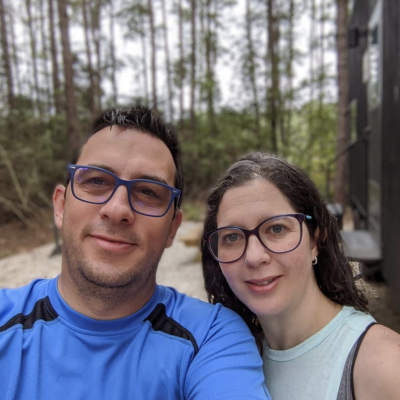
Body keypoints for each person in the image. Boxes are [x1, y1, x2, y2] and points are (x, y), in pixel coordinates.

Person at [0, 108, 271, 400]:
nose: (117, 210)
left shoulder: (211, 337)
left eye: (149, 192)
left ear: (172, 229)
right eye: (96, 181)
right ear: (61, 206)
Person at [201, 152, 400, 400]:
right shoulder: (223, 362)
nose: (254, 256)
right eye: (232, 236)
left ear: (315, 240)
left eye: (276, 228)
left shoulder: (386, 367)